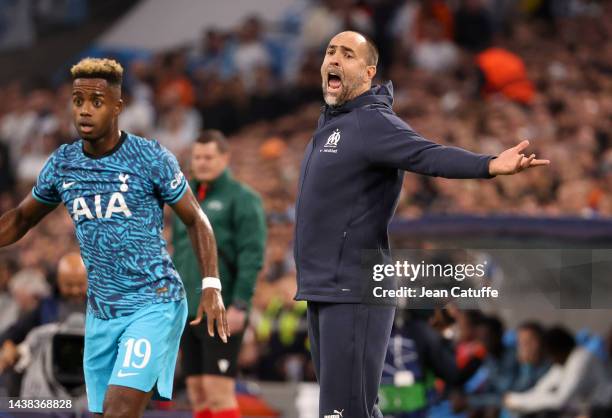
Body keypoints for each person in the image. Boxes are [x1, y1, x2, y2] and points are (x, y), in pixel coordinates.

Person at [293, 31, 549, 418]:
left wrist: (490, 164)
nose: (334, 59)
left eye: (347, 54)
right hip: (324, 288)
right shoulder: (330, 123)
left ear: (367, 72)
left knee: (343, 413)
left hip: (354, 288)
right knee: (353, 410)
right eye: (330, 51)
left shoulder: (372, 122)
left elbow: (428, 154)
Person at [0, 58, 228, 418]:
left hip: (154, 302)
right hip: (103, 311)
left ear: (117, 107)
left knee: (120, 407)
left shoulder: (150, 157)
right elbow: (22, 218)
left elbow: (196, 220)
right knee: (103, 413)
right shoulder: (62, 164)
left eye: (96, 101)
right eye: (78, 102)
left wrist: (211, 285)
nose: (85, 111)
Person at [173, 130, 266, 418]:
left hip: (222, 310)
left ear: (224, 158)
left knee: (218, 393)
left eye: (208, 157)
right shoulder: (183, 197)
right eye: (197, 157)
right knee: (197, 392)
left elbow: (252, 255)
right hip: (188, 308)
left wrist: (240, 304)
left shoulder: (242, 198)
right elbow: (180, 255)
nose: (201, 163)